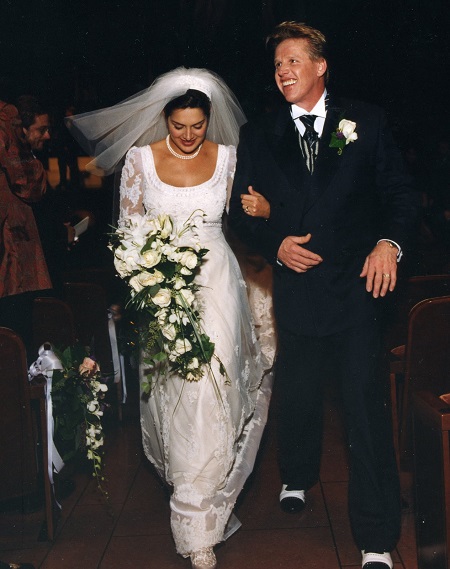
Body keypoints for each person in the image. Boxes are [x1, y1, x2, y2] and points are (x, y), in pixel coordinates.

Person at [229, 22, 419, 569]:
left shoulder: (366, 122)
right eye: (277, 65)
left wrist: (390, 243)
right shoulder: (259, 133)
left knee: (363, 408)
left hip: (358, 289)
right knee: (301, 390)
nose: (283, 71)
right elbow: (238, 211)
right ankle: (297, 473)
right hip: (297, 290)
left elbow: (401, 197)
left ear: (320, 66)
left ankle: (378, 537)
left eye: (293, 61)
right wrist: (276, 241)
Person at [68, 67, 275, 569]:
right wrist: (147, 279)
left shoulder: (228, 158)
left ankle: (202, 512)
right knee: (179, 394)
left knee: (214, 389)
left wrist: (265, 211)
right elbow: (127, 234)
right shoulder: (140, 160)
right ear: (164, 119)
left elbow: (248, 220)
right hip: (161, 289)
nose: (187, 136)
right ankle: (194, 510)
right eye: (179, 125)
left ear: (209, 121)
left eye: (197, 126)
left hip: (218, 284)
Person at [0, 97, 52, 354]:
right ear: (21, 130)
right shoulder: (19, 162)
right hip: (14, 269)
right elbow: (31, 186)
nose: (47, 135)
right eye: (41, 130)